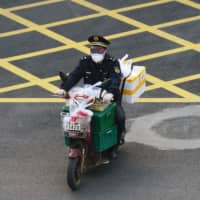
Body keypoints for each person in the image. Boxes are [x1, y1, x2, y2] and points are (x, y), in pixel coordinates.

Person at [56, 35, 126, 158]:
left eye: (98, 50)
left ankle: (116, 144)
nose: (95, 52)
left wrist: (110, 93)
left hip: (107, 97)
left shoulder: (112, 62)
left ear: (104, 50)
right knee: (72, 115)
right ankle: (78, 140)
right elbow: (74, 76)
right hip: (88, 96)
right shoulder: (84, 62)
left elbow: (116, 79)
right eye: (92, 50)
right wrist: (63, 89)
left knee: (120, 117)